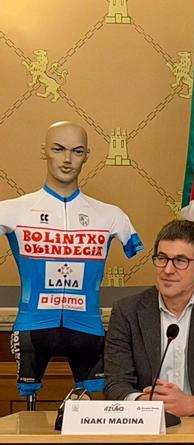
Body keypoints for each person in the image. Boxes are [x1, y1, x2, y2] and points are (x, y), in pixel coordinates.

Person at [0, 121, 143, 401]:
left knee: (93, 420)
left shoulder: (111, 216)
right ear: (44, 151)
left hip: (87, 329)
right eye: (58, 149)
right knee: (27, 420)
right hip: (33, 326)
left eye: (77, 151)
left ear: (87, 155)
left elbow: (132, 246)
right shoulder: (12, 211)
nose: (67, 160)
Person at [104, 220, 194, 416]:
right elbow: (115, 383)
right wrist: (143, 401)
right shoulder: (127, 312)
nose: (168, 270)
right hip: (146, 429)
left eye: (180, 261)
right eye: (162, 258)